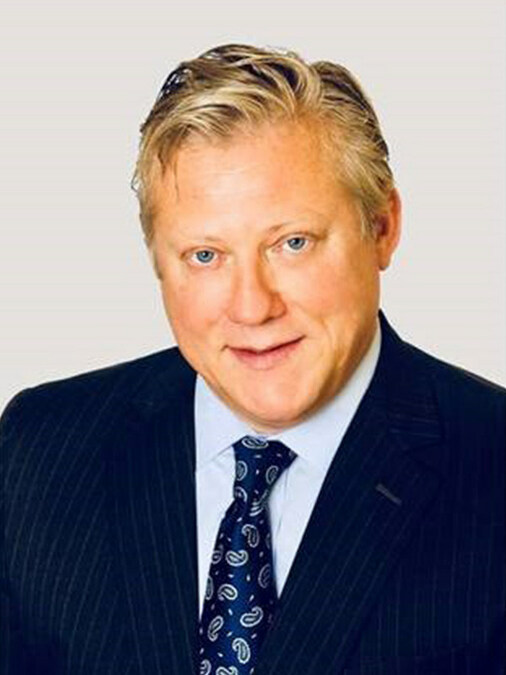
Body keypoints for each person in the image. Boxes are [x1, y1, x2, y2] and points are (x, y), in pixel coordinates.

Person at [0, 43, 504, 675]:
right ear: (157, 260)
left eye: (292, 243)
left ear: (382, 227)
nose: (252, 307)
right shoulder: (39, 452)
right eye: (205, 256)